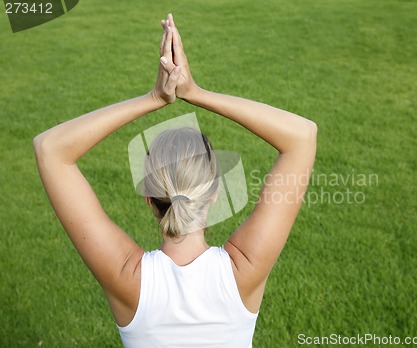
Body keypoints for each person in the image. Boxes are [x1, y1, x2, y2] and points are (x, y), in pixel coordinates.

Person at [34, 13, 317, 347]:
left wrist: (154, 98)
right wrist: (195, 92)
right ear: (214, 192)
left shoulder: (129, 278)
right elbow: (302, 135)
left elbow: (50, 149)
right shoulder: (244, 269)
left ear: (148, 198)